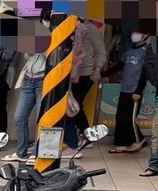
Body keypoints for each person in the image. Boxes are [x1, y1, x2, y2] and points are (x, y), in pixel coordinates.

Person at [116, 30, 158, 159]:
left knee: (130, 118)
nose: (135, 35)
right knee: (121, 117)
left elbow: (146, 71)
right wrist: (101, 74)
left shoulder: (147, 49)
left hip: (135, 90)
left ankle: (139, 140)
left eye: (139, 32)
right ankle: (123, 143)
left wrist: (138, 90)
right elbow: (120, 66)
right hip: (125, 88)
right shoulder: (130, 49)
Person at [68, 19, 106, 153]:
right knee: (71, 106)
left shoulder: (91, 28)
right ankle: (77, 137)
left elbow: (101, 51)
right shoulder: (68, 26)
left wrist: (97, 70)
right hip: (70, 73)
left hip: (86, 73)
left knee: (75, 105)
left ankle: (88, 136)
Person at [6, 46, 46, 162]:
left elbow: (51, 55)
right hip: (28, 79)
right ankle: (21, 153)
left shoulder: (54, 32)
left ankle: (36, 153)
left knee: (41, 119)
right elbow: (28, 55)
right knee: (19, 117)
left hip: (43, 80)